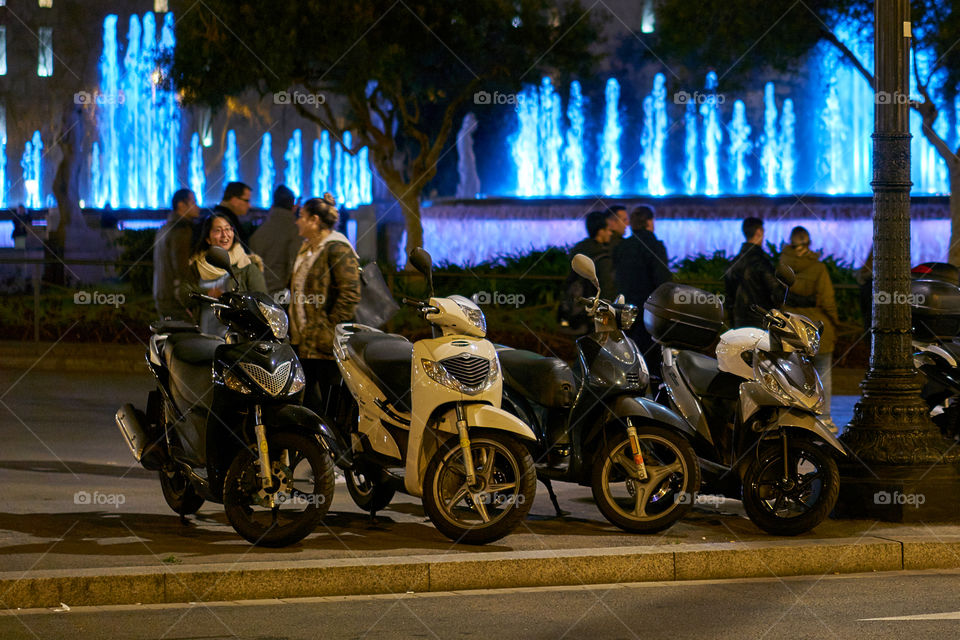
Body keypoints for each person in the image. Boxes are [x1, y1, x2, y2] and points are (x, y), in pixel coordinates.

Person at [289, 193, 361, 414]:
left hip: (325, 346)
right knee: (308, 404)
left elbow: (350, 293)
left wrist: (329, 329)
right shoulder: (308, 249)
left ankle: (335, 448)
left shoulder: (336, 247)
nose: (297, 221)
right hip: (305, 342)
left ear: (315, 221)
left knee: (331, 407)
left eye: (301, 216)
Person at [779, 226, 840, 431]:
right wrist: (835, 322)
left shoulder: (782, 266)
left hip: (790, 327)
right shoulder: (818, 268)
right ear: (809, 243)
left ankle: (797, 419)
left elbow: (776, 296)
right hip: (817, 327)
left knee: (793, 374)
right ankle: (824, 419)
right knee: (823, 372)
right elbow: (827, 300)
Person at [179, 213, 267, 333]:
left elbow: (262, 303)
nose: (224, 235)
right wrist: (208, 293)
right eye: (218, 230)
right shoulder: (197, 264)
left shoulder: (246, 265)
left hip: (237, 337)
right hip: (205, 334)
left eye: (227, 229)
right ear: (208, 238)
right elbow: (184, 294)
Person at [614, 205, 671, 365]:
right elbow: (663, 281)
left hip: (627, 310)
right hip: (650, 311)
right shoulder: (655, 246)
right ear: (649, 222)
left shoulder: (622, 247)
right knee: (652, 359)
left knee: (631, 356)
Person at [559, 210, 616, 334]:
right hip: (592, 315)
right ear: (600, 232)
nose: (611, 233)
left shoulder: (578, 249)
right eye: (608, 230)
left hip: (576, 309)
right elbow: (606, 289)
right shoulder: (602, 257)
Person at [725, 216, 786, 328]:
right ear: (759, 232)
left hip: (738, 323)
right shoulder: (761, 262)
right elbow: (777, 293)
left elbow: (729, 300)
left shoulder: (733, 264)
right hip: (761, 322)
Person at [153, 189, 200, 320]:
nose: (197, 207)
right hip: (176, 299)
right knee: (188, 338)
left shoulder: (163, 229)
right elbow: (182, 268)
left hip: (162, 293)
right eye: (193, 202)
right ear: (181, 205)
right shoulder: (181, 231)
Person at [250, 185, 301, 295]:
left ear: (273, 205)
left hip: (260, 294)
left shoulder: (259, 231)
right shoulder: (297, 231)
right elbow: (294, 267)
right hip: (283, 296)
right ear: (293, 206)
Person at [212, 181, 253, 248]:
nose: (249, 206)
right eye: (247, 201)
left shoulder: (220, 215)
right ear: (234, 200)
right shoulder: (225, 220)